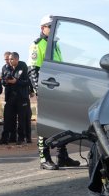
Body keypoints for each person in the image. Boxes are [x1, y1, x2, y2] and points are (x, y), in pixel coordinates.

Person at [29, 15, 79, 170]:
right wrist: (39, 90)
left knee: (61, 124)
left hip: (58, 90)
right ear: (42, 28)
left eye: (53, 26)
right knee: (44, 124)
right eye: (49, 26)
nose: (52, 29)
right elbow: (33, 71)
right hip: (46, 90)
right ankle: (44, 158)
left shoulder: (55, 46)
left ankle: (62, 156)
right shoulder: (37, 45)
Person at [0, 52, 30, 144]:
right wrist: (6, 81)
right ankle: (5, 138)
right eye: (8, 59)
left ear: (17, 59)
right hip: (10, 97)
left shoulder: (23, 65)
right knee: (7, 118)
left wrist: (16, 81)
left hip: (21, 97)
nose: (9, 61)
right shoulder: (5, 67)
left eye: (11, 59)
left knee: (21, 119)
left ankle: (21, 138)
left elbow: (27, 82)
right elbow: (2, 80)